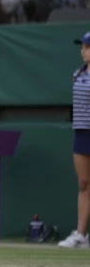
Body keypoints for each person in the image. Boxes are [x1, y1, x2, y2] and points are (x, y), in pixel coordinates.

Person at [58, 31, 90, 248]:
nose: (83, 51)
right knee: (84, 183)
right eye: (82, 47)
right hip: (81, 133)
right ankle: (81, 235)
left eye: (87, 47)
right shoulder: (77, 74)